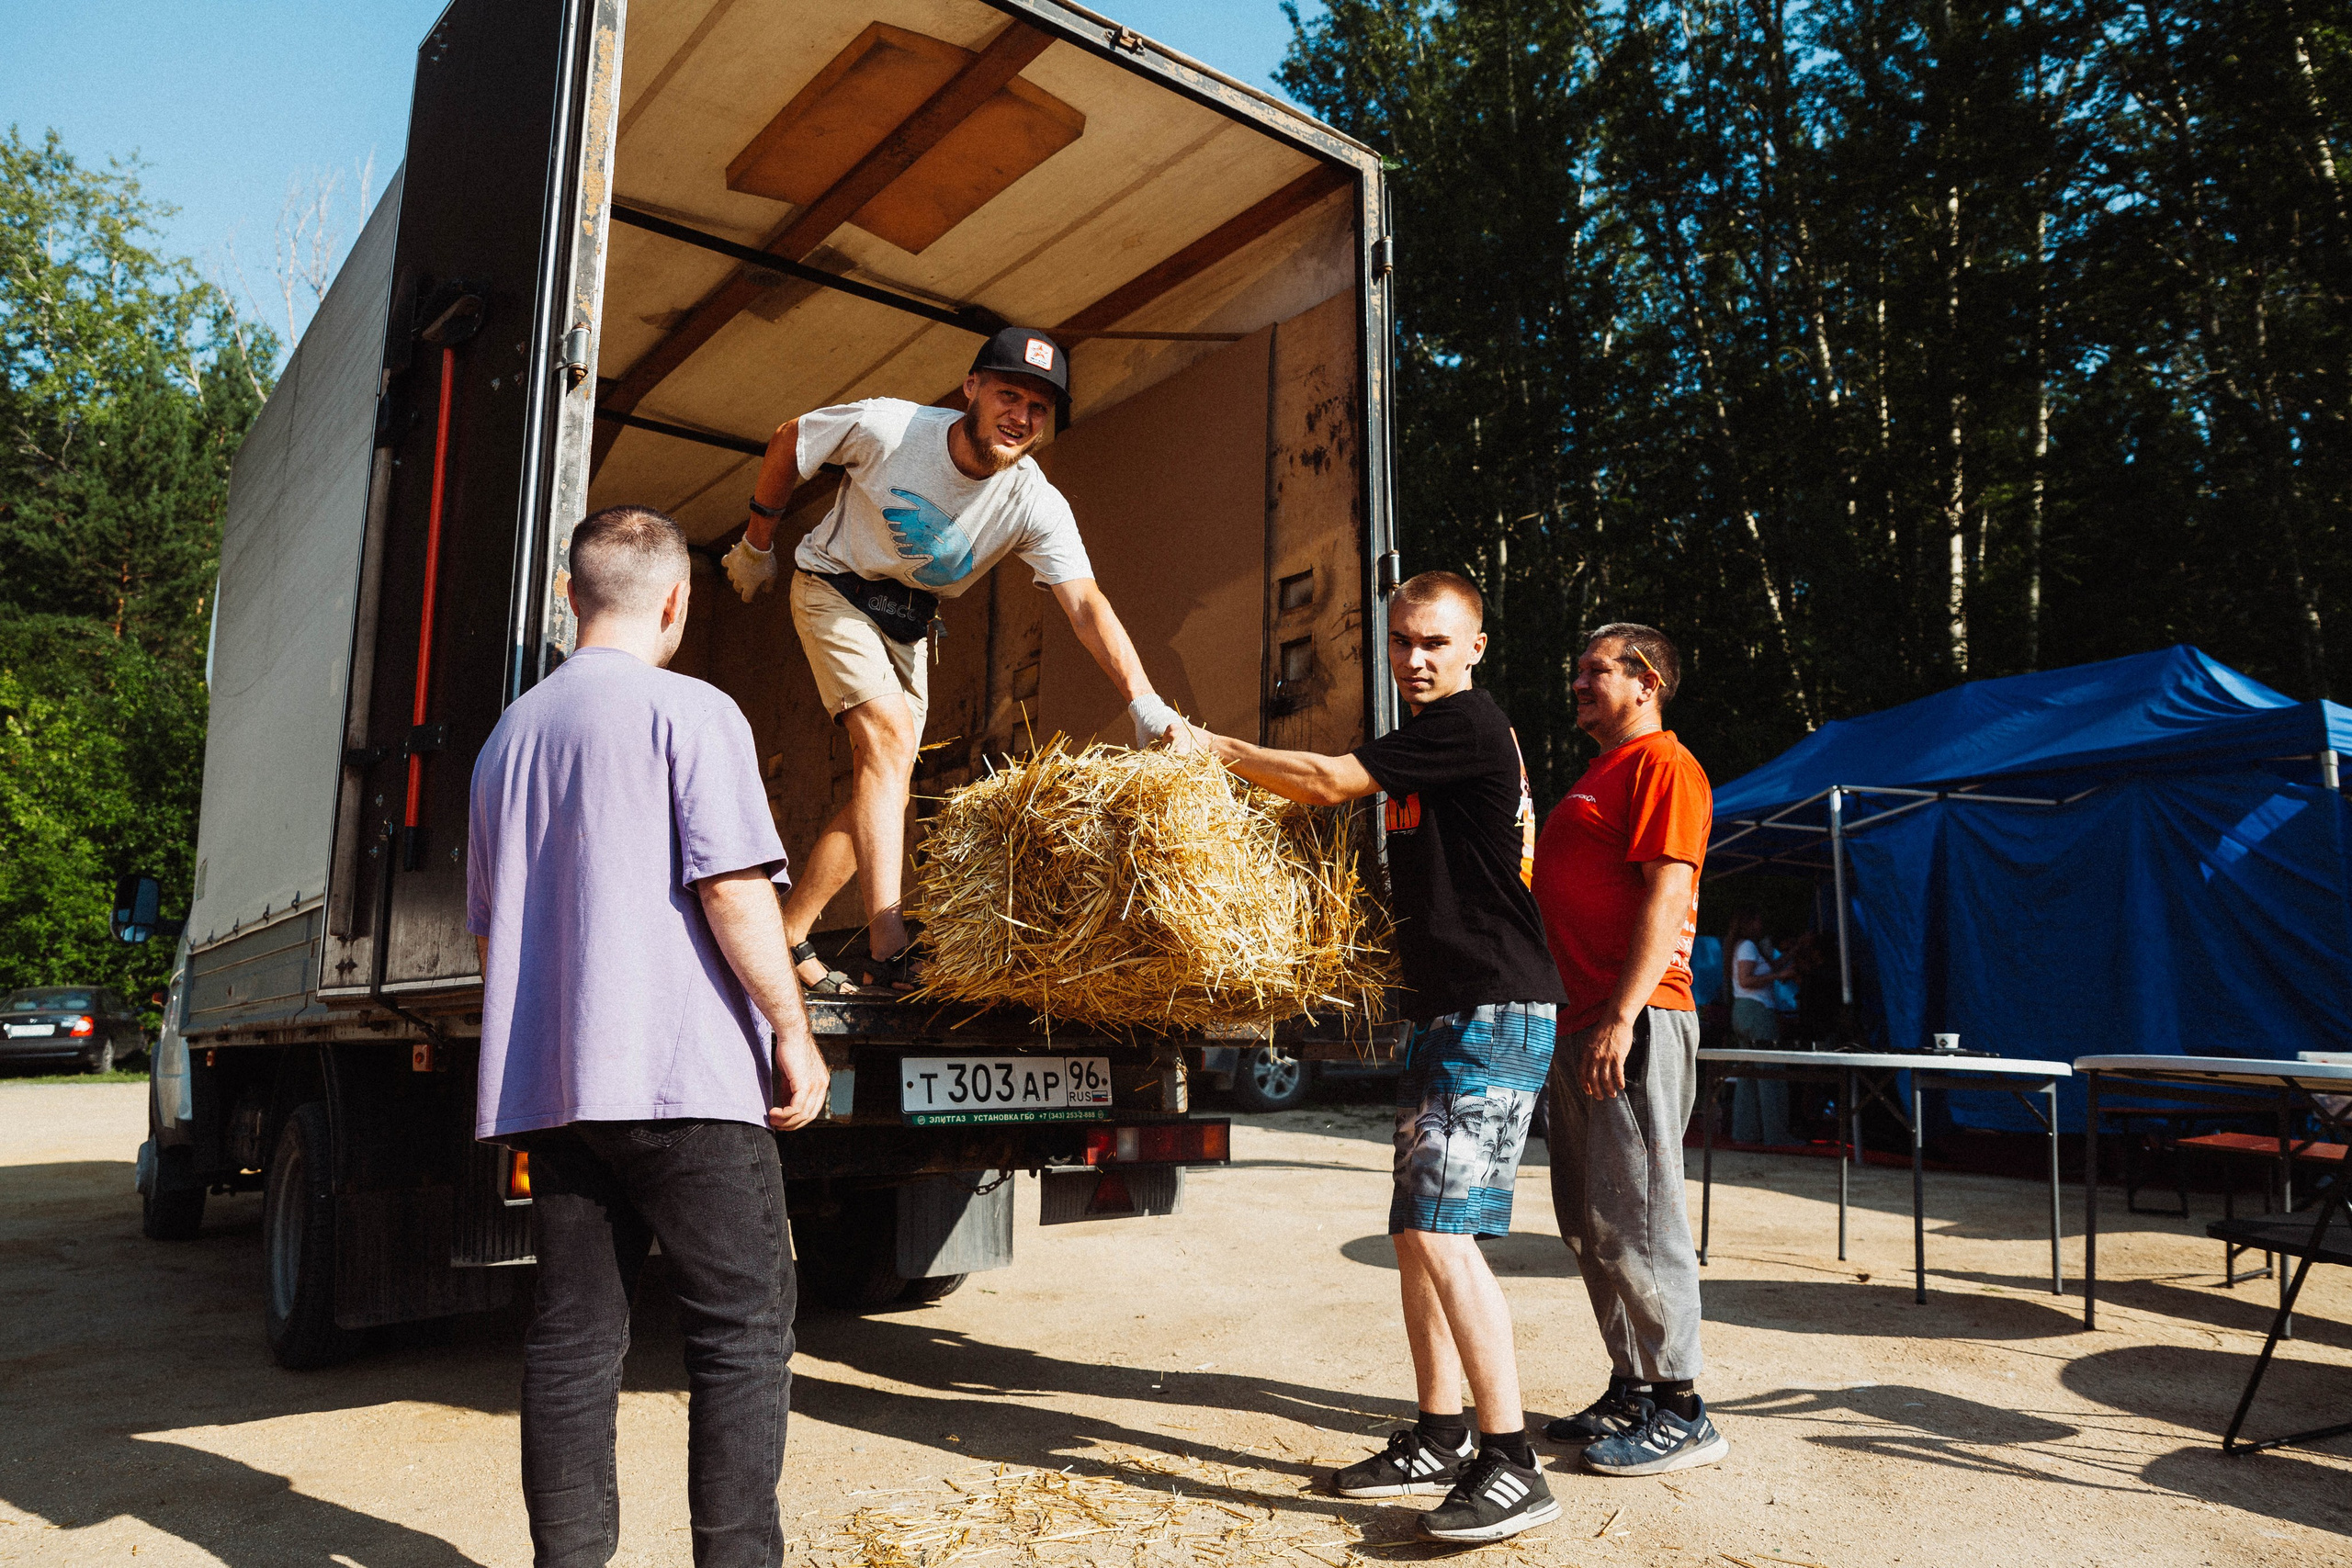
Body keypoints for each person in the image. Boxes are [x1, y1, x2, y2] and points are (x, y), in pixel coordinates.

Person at [467, 504, 831, 1567]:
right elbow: (730, 890)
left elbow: (497, 939)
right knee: (742, 1333)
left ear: (569, 599)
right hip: (687, 1086)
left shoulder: (507, 740)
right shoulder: (695, 711)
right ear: (676, 600)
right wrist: (793, 1030)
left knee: (575, 1340)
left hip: (562, 1092)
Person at [1195, 570, 1566, 1543]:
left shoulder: (1468, 725)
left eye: (1435, 642)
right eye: (1402, 641)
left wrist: (1208, 749)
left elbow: (1324, 782)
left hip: (1495, 1007)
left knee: (1445, 1233)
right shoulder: (1429, 738)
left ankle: (1511, 1461)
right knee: (1416, 1231)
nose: (1414, 659)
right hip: (1449, 1008)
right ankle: (1440, 1433)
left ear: (1476, 647)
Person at [720, 327, 1191, 994]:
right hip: (833, 586)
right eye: (1008, 395)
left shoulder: (1033, 499)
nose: (1021, 418)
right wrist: (757, 543)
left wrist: (1143, 701)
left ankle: (787, 933)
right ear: (971, 387)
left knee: (884, 782)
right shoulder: (891, 428)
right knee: (886, 744)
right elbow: (791, 439)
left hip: (909, 623)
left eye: (1037, 408)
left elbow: (1086, 605)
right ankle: (890, 946)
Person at [1529, 622, 1727, 1476]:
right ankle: (1633, 1385)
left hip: (1633, 1020)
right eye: (1576, 670)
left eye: (1594, 671)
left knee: (1640, 1215)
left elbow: (1668, 893)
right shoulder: (1597, 774)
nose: (1577, 683)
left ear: (1645, 679)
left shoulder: (1663, 766)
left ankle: (1683, 1404)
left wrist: (1621, 1014)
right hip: (1580, 1022)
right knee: (1590, 1221)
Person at [1724, 911, 1794, 1145]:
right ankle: (1776, 1135)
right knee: (1770, 1073)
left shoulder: (1742, 947)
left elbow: (1772, 965)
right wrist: (1779, 976)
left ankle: (1745, 1133)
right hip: (1757, 1012)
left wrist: (1794, 953)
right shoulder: (1748, 947)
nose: (1761, 923)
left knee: (1748, 1075)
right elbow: (1746, 980)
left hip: (1742, 1013)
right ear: (1749, 922)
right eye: (1757, 919)